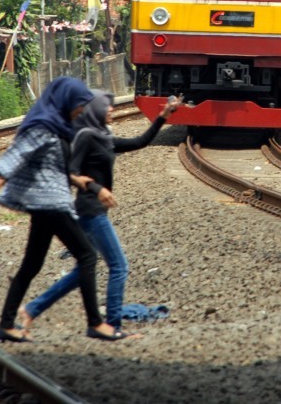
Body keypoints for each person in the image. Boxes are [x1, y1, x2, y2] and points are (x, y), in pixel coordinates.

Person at [20, 90, 181, 337]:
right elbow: (70, 171)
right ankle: (112, 327)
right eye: (108, 106)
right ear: (95, 109)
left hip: (93, 211)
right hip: (90, 210)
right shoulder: (85, 137)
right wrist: (97, 188)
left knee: (82, 270)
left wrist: (163, 115)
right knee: (119, 266)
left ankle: (32, 309)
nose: (112, 110)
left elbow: (140, 142)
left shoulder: (104, 137)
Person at [0, 77, 121, 343]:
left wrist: (82, 182)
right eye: (79, 105)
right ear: (66, 100)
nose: (82, 110)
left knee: (31, 265)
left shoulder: (59, 127)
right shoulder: (42, 127)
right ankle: (95, 323)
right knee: (88, 256)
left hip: (48, 202)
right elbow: (17, 155)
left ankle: (6, 325)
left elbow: (56, 167)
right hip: (51, 203)